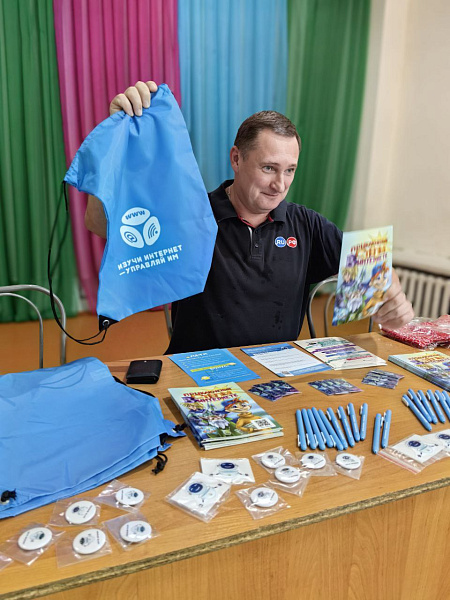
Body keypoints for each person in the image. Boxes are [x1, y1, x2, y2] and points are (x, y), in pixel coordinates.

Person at [85, 81, 414, 353]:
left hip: (276, 377)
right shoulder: (192, 215)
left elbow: (376, 270)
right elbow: (99, 223)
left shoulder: (306, 224)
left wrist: (392, 296)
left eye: (290, 170)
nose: (279, 185)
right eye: (269, 168)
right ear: (236, 159)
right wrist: (114, 144)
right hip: (197, 374)